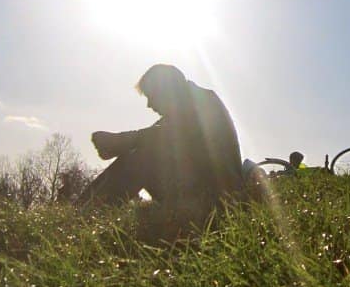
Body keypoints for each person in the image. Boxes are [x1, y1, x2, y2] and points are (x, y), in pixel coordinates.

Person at [79, 64, 245, 232]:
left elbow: (166, 136)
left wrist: (119, 141)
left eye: (151, 96)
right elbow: (160, 134)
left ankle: (84, 213)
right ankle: (83, 209)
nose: (149, 105)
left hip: (219, 199)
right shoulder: (183, 108)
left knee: (141, 157)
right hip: (203, 191)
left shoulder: (204, 101)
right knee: (137, 152)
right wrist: (120, 143)